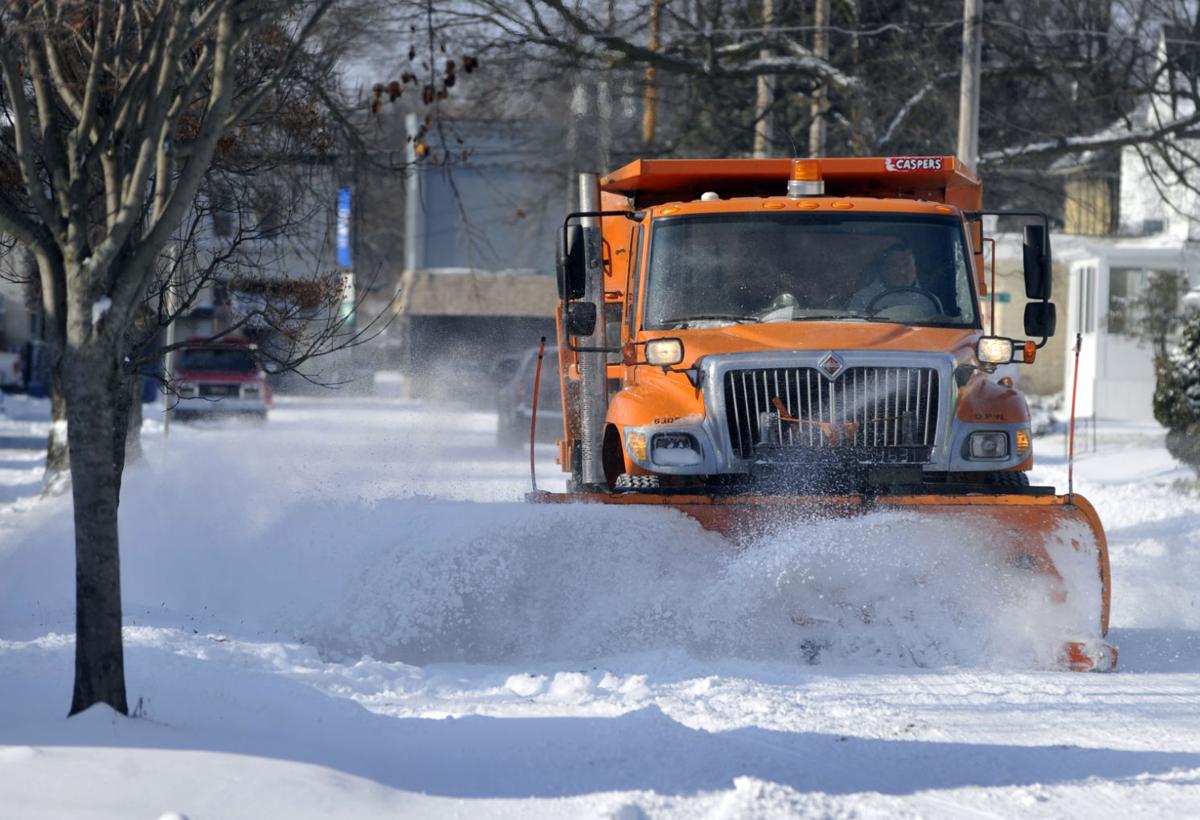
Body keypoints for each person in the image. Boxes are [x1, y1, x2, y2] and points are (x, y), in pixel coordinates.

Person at [847, 244, 936, 314]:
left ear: (915, 269)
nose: (902, 272)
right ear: (883, 270)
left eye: (907, 265)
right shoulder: (863, 297)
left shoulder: (929, 300)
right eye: (895, 266)